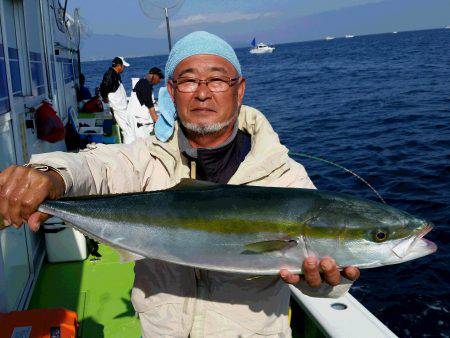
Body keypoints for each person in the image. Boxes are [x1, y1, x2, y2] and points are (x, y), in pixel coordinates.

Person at [0, 31, 359, 337]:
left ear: (239, 90)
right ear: (171, 91)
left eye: (218, 79)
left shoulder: (285, 179)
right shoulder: (147, 158)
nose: (203, 93)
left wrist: (330, 282)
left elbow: (330, 272)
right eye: (188, 80)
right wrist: (50, 176)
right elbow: (95, 166)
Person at [99, 56, 136, 144]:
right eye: (123, 66)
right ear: (119, 66)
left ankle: (129, 144)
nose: (124, 69)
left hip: (121, 107)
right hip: (118, 107)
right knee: (127, 128)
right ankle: (129, 146)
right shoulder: (110, 75)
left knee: (128, 126)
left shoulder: (115, 74)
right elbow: (103, 88)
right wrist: (107, 101)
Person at [127, 67, 164, 139]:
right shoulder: (146, 86)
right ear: (155, 76)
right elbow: (150, 107)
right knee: (144, 145)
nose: (159, 81)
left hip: (135, 118)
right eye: (159, 78)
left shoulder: (142, 82)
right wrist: (158, 122)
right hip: (139, 123)